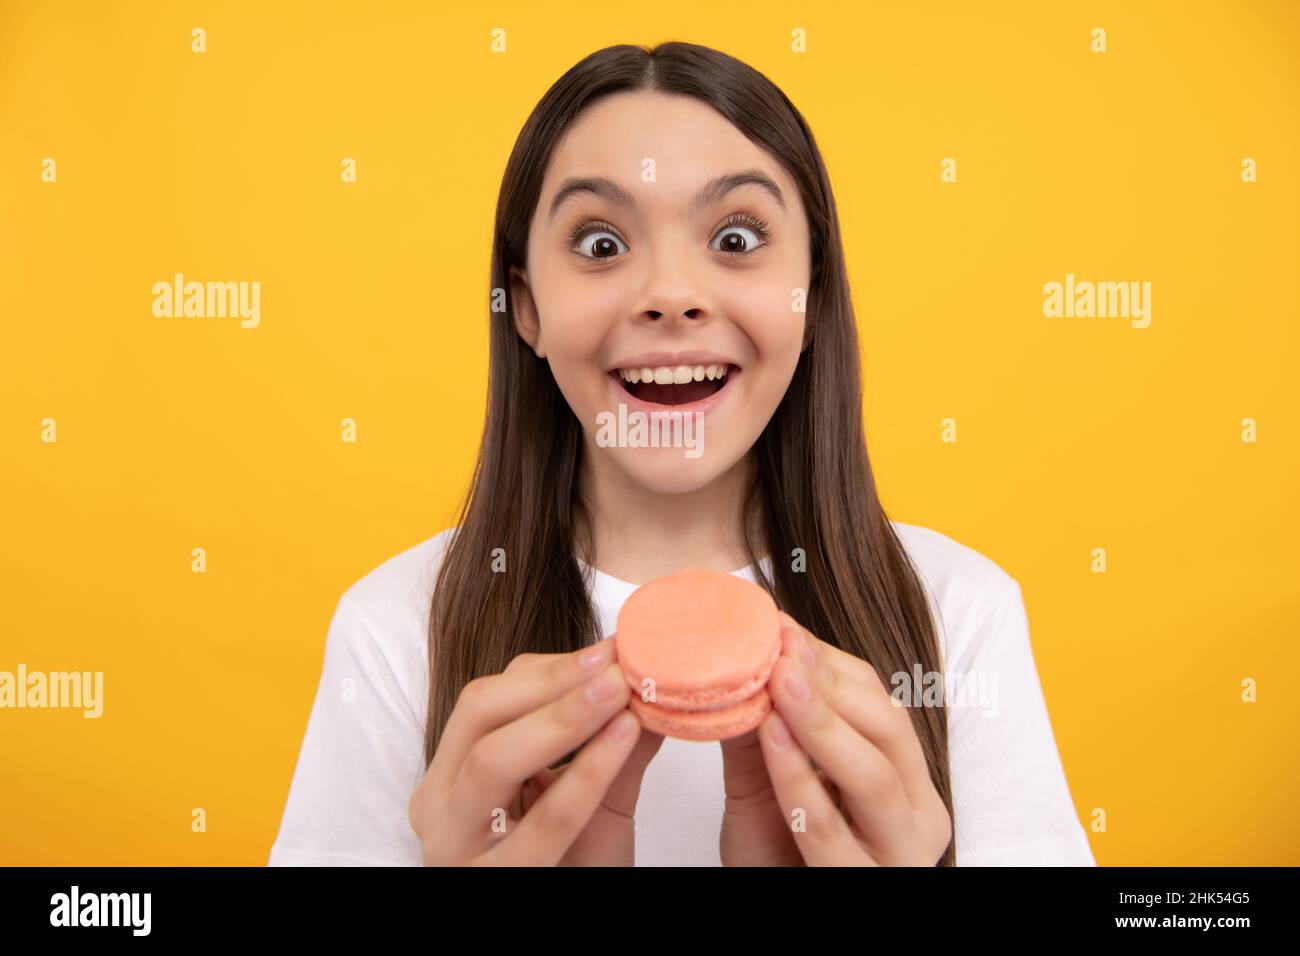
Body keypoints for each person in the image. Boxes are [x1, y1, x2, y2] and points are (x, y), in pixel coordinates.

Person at [268, 41, 1095, 867]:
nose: (670, 295)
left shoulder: (959, 617)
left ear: (813, 300)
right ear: (526, 308)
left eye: (736, 238)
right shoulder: (396, 631)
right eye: (600, 244)